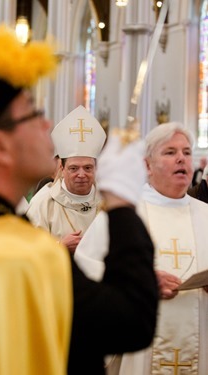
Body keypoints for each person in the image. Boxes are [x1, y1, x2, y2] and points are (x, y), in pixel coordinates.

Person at [0, 19, 159, 375]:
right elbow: (130, 322)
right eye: (33, 115)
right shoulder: (21, 251)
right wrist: (122, 205)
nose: (45, 125)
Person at [75, 122, 208, 374]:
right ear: (146, 166)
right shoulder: (122, 214)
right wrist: (138, 283)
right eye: (170, 152)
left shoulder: (206, 215)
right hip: (139, 350)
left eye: (187, 152)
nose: (181, 158)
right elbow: (85, 273)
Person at [27, 105, 107, 253]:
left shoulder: (108, 203)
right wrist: (60, 246)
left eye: (88, 168)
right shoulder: (43, 204)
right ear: (62, 169)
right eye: (74, 168)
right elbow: (27, 252)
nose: (81, 174)